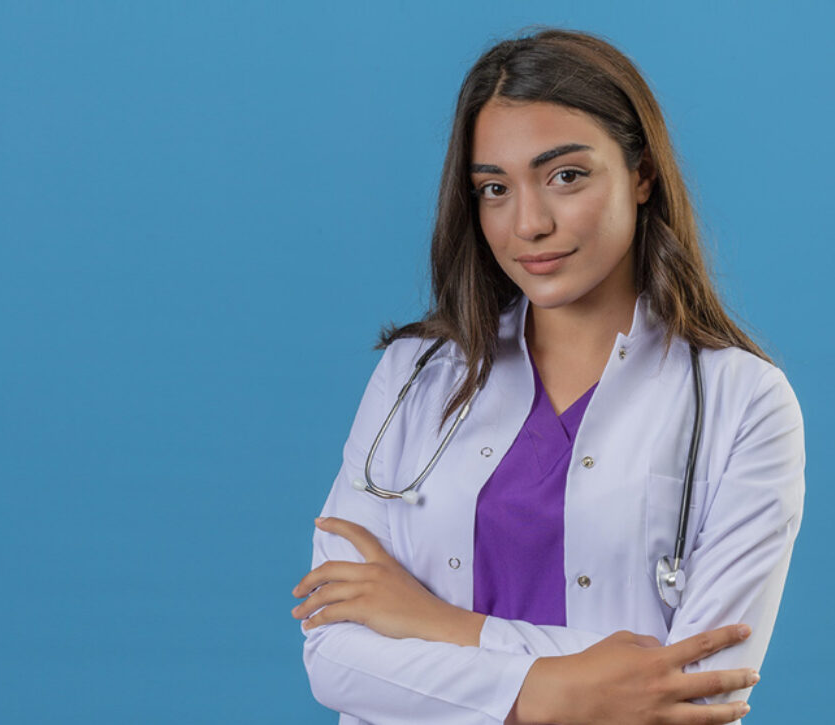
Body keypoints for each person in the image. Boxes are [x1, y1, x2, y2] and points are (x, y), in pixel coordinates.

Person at [291, 26, 805, 725]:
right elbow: (336, 653)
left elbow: (698, 691)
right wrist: (562, 688)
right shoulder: (414, 376)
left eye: (566, 176)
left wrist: (439, 624)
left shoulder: (744, 403)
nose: (528, 223)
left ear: (642, 174)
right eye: (495, 188)